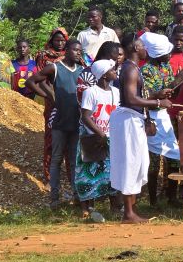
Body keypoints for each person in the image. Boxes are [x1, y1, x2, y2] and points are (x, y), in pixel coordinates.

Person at [110, 35, 168, 223]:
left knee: (138, 163)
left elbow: (137, 95)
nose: (146, 49)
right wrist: (158, 102)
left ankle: (131, 210)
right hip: (128, 120)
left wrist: (156, 96)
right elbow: (130, 99)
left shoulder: (133, 68)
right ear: (135, 47)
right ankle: (128, 213)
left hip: (133, 119)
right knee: (130, 163)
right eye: (143, 46)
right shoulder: (130, 69)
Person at [26, 39, 84, 209]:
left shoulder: (81, 71)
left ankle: (76, 196)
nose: (78, 53)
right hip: (59, 121)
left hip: (76, 121)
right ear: (66, 50)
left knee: (74, 160)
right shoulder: (55, 68)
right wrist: (49, 96)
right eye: (75, 50)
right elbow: (31, 81)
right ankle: (54, 198)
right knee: (57, 159)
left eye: (80, 50)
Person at [140, 32, 183, 207]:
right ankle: (152, 201)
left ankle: (172, 197)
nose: (170, 55)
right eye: (167, 52)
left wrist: (181, 80)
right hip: (151, 117)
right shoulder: (146, 71)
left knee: (175, 156)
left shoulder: (166, 67)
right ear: (158, 53)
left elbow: (172, 93)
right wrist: (163, 92)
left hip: (163, 116)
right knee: (154, 161)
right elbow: (147, 97)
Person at [76, 59, 121, 221]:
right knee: (87, 173)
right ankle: (87, 208)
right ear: (103, 75)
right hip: (91, 137)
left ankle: (115, 207)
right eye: (112, 70)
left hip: (111, 138)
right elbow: (86, 117)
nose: (115, 72)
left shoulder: (116, 92)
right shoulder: (91, 92)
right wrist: (99, 134)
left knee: (111, 173)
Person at [34, 27, 71, 183]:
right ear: (51, 40)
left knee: (71, 139)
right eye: (57, 40)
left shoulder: (72, 55)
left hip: (70, 102)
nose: (60, 43)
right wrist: (51, 96)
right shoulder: (43, 56)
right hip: (53, 102)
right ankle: (49, 175)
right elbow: (39, 79)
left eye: (63, 40)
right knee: (51, 137)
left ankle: (71, 177)